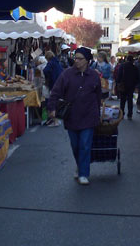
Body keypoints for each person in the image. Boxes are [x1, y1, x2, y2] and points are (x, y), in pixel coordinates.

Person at [48, 47, 102, 186]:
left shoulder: (94, 76)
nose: (76, 61)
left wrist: (98, 112)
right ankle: (80, 165)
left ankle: (84, 173)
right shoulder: (67, 74)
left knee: (85, 145)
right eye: (75, 58)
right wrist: (52, 108)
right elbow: (56, 91)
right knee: (75, 145)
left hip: (89, 115)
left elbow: (98, 96)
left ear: (87, 61)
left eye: (80, 58)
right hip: (71, 116)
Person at [42, 51, 64, 127]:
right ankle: (55, 120)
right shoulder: (57, 62)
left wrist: (48, 77)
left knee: (52, 102)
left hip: (54, 84)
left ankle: (55, 121)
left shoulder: (51, 63)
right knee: (56, 102)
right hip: (60, 83)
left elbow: (45, 70)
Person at [116, 55, 139, 120]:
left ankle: (121, 114)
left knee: (122, 101)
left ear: (126, 59)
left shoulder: (122, 66)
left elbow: (119, 75)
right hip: (131, 86)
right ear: (132, 60)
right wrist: (135, 85)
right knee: (130, 100)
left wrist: (118, 83)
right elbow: (137, 78)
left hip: (123, 85)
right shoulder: (135, 67)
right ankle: (130, 114)